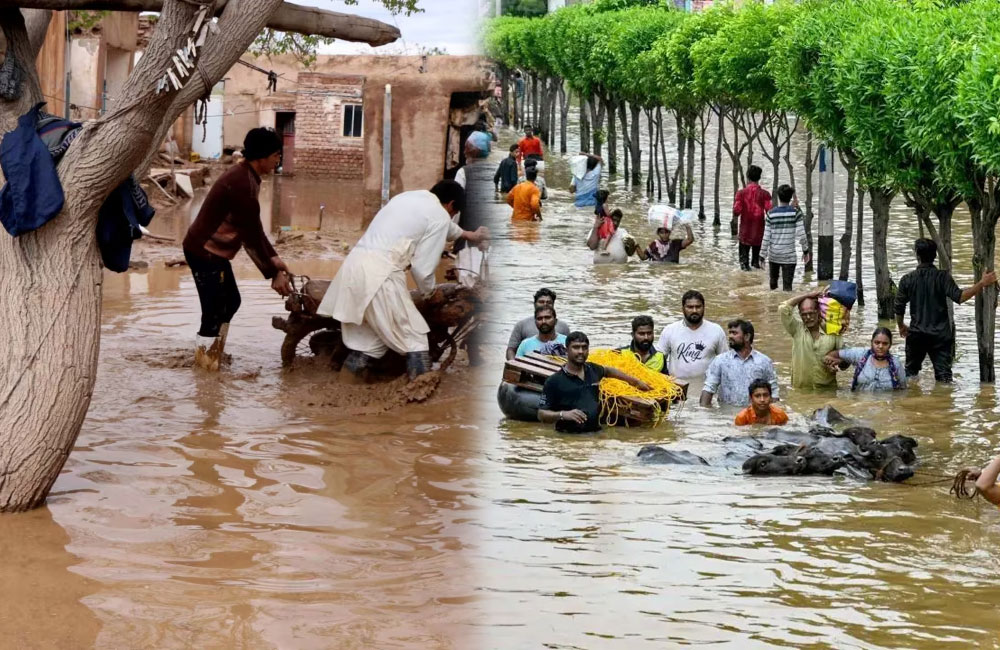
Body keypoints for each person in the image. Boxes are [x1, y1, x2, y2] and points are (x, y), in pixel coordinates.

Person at [317, 180, 490, 381]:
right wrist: (431, 292)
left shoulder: (408, 198)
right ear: (451, 205)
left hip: (353, 269)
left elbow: (443, 226)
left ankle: (342, 391)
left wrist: (470, 235)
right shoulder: (440, 216)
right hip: (381, 276)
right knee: (416, 339)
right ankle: (419, 399)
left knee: (370, 343)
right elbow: (422, 269)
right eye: (452, 213)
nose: (450, 218)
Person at [183, 127, 293, 371]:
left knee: (231, 301)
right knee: (212, 312)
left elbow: (254, 228)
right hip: (204, 251)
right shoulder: (242, 183)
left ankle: (214, 355)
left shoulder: (249, 177)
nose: (278, 160)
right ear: (262, 156)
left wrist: (275, 260)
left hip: (214, 252)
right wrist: (272, 273)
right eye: (276, 155)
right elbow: (251, 236)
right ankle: (204, 369)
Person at [895, 238, 997, 382]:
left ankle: (911, 401)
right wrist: (982, 283)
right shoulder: (943, 277)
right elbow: (960, 297)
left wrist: (901, 326)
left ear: (917, 255)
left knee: (910, 375)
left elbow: (899, 307)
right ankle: (945, 403)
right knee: (944, 378)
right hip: (940, 336)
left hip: (917, 334)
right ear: (935, 256)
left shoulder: (907, 279)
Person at [538, 331, 651, 433]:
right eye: (576, 347)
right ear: (566, 350)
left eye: (584, 348)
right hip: (569, 437)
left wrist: (636, 382)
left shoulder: (593, 370)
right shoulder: (554, 381)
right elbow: (542, 414)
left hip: (595, 433)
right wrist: (563, 414)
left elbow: (608, 370)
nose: (581, 351)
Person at [700, 319, 779, 407]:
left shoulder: (764, 362)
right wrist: (705, 414)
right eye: (729, 333)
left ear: (747, 337)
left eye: (734, 333)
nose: (730, 336)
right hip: (726, 415)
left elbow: (774, 392)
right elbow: (708, 389)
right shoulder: (720, 361)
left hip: (754, 415)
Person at [654, 290, 729, 380]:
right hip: (677, 387)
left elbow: (725, 363)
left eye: (698, 307)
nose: (694, 310)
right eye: (690, 307)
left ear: (704, 308)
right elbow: (658, 360)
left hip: (707, 389)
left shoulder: (716, 330)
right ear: (683, 309)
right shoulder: (670, 330)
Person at [780, 288, 841, 390]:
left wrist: (837, 362)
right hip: (800, 391)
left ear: (818, 312)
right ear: (799, 315)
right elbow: (784, 308)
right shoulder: (796, 329)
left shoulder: (833, 331)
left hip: (827, 392)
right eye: (804, 315)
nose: (808, 317)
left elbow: (845, 358)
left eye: (811, 313)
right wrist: (807, 294)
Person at [824, 327, 906, 392]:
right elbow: (832, 355)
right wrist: (835, 363)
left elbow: (903, 390)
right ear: (871, 342)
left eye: (885, 344)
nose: (880, 346)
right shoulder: (861, 355)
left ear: (890, 345)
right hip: (860, 407)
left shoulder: (896, 365)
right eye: (877, 342)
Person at [761, 184, 809, 291]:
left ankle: (772, 307)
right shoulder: (796, 213)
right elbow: (802, 235)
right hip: (789, 257)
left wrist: (762, 256)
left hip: (774, 255)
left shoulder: (770, 214)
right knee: (787, 289)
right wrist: (805, 251)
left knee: (773, 286)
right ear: (790, 197)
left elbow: (766, 236)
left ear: (778, 196)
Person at [507, 288, 572, 360]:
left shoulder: (563, 328)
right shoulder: (522, 327)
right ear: (535, 304)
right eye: (541, 302)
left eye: (548, 302)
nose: (545, 304)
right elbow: (511, 350)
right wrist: (513, 363)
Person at [732, 164, 772, 271]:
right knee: (757, 265)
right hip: (759, 234)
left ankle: (745, 284)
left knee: (744, 266)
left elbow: (736, 211)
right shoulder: (765, 194)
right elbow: (770, 212)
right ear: (759, 177)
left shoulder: (741, 193)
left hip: (745, 233)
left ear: (748, 177)